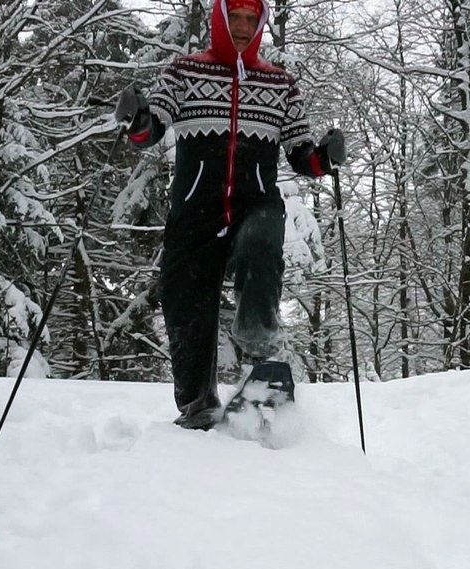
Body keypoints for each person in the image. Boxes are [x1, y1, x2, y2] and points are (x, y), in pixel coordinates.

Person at [114, 0, 346, 430]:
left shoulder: (280, 84)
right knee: (185, 302)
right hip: (194, 207)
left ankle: (262, 366)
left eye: (250, 19)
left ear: (260, 24)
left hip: (254, 201)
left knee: (261, 245)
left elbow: (301, 154)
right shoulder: (184, 71)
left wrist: (325, 158)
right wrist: (137, 119)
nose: (242, 27)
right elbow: (152, 131)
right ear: (219, 20)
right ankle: (198, 404)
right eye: (234, 18)